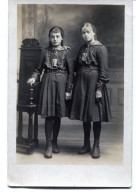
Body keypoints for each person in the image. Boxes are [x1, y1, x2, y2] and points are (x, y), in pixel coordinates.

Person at [27, 26, 74, 158]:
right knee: (49, 115)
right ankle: (48, 144)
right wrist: (33, 77)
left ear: (62, 37)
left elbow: (71, 74)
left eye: (57, 36)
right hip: (47, 83)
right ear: (49, 38)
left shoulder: (67, 52)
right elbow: (38, 69)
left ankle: (54, 142)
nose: (55, 39)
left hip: (61, 84)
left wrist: (68, 90)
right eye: (52, 36)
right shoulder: (44, 51)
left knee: (57, 114)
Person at [69, 23, 111, 158]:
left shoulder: (101, 48)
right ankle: (86, 144)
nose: (85, 35)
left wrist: (99, 88)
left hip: (94, 84)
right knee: (85, 115)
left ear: (94, 33)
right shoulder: (82, 48)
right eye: (83, 32)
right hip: (81, 83)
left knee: (95, 115)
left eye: (88, 32)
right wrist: (66, 52)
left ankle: (96, 145)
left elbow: (104, 71)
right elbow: (75, 66)